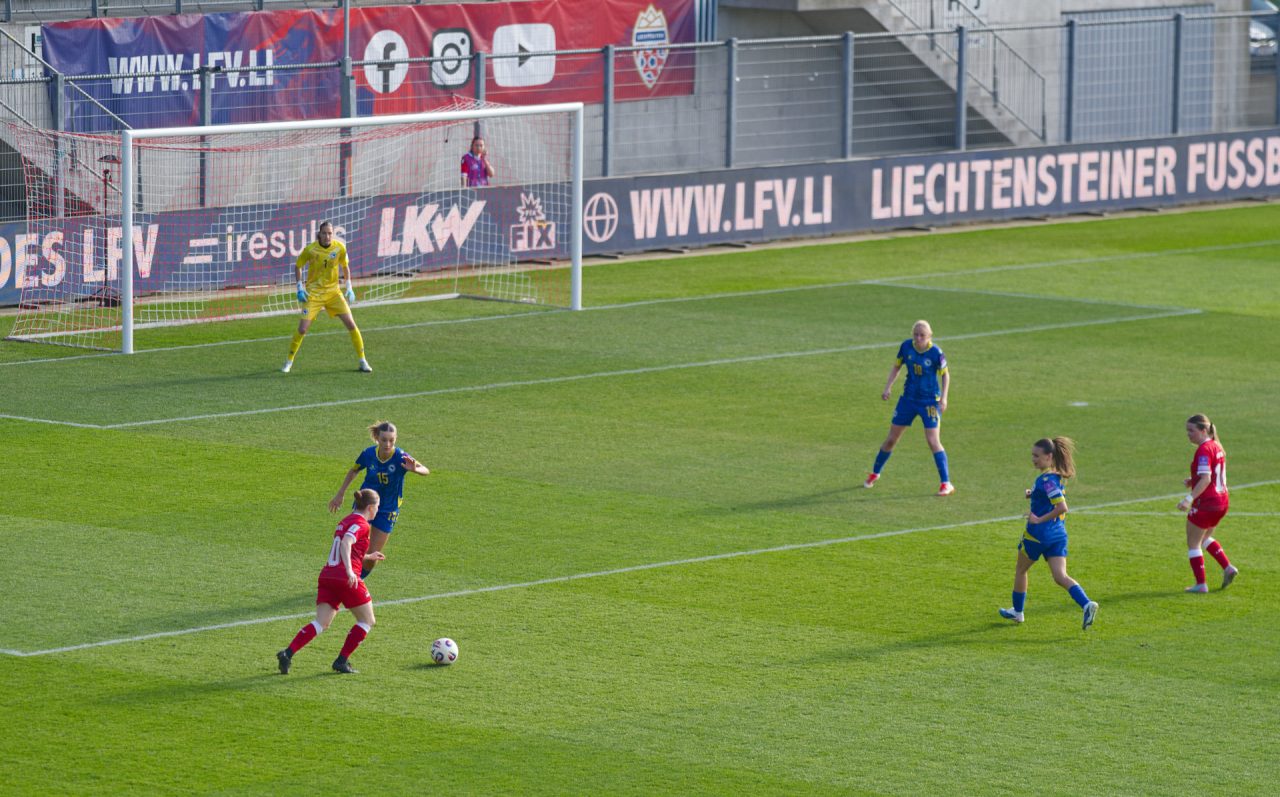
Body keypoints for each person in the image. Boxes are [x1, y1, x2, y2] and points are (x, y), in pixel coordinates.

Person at [277, 488, 385, 675]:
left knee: (321, 622)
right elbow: (346, 544)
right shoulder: (363, 524)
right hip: (345, 578)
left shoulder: (344, 521)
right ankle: (341, 661)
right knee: (367, 620)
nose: (378, 510)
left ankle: (287, 653)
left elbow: (348, 548)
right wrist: (351, 571)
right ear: (370, 507)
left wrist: (367, 556)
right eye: (377, 507)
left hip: (327, 576)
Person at [999, 437, 1099, 630]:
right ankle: (1086, 604)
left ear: (1049, 456)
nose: (1033, 459)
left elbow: (1062, 507)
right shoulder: (1055, 477)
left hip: (1038, 535)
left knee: (1021, 570)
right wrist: (1033, 493)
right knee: (1060, 576)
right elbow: (1050, 497)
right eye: (1032, 455)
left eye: (1037, 456)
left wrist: (1037, 519)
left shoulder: (1046, 480)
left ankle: (1017, 612)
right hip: (1058, 535)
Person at [328, 420, 430, 578]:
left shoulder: (401, 457)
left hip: (388, 509)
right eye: (384, 440)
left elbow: (426, 470)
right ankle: (347, 577)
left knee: (372, 555)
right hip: (365, 503)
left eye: (392, 440)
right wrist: (340, 493)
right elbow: (354, 470)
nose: (388, 444)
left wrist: (415, 469)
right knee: (356, 546)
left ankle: (358, 579)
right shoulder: (368, 454)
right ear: (377, 438)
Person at [863, 320, 954, 495]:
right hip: (908, 400)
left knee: (933, 441)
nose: (918, 338)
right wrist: (888, 387)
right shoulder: (906, 347)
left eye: (922, 335)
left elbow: (945, 375)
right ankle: (875, 473)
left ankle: (946, 483)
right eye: (916, 335)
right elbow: (897, 366)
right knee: (891, 439)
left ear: (929, 336)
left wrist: (944, 398)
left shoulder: (936, 353)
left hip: (929, 402)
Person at [281, 220, 372, 374]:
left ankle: (363, 360)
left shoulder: (340, 247)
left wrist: (349, 288)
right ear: (319, 234)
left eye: (330, 233)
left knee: (351, 324)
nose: (327, 236)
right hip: (314, 294)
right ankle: (289, 361)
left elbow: (345, 266)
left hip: (333, 293)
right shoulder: (311, 250)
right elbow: (298, 266)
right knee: (302, 329)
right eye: (324, 233)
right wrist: (299, 288)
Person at [1177, 414, 1237, 593]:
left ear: (1204, 430)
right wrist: (1193, 479)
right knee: (1204, 538)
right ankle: (1228, 567)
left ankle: (1201, 584)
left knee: (1193, 543)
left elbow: (1206, 479)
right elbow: (1210, 475)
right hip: (1222, 502)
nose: (1188, 434)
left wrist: (1189, 499)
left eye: (1191, 431)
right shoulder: (1216, 446)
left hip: (1207, 503)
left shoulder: (1203, 450)